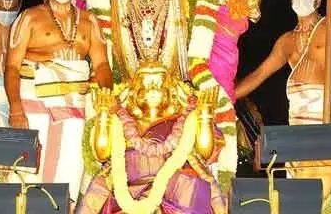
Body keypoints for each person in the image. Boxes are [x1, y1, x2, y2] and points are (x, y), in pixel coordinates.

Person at [6, 0, 113, 204]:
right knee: (28, 171)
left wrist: (106, 92)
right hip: (33, 103)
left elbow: (101, 64)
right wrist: (15, 108)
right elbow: (12, 66)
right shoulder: (30, 17)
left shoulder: (89, 21)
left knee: (69, 167)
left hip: (74, 106)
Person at [78, 62, 227, 214]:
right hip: (129, 188)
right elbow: (101, 154)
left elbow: (205, 153)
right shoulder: (121, 119)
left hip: (176, 188)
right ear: (134, 93)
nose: (153, 91)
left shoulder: (183, 119)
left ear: (171, 93)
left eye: (158, 85)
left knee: (190, 193)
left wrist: (205, 114)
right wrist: (104, 114)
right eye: (146, 86)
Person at [234, 0, 331, 125]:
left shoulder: (328, 27)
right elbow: (259, 74)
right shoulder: (286, 40)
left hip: (328, 110)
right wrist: (226, 97)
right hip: (297, 115)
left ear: (318, 2)